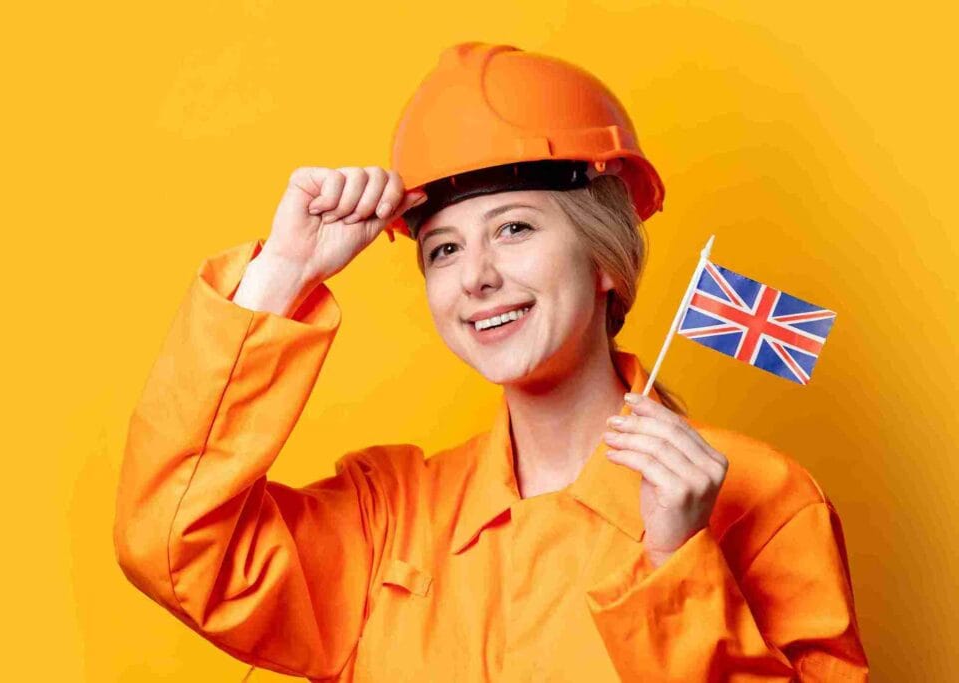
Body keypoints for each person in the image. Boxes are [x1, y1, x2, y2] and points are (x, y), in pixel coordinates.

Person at [113, 43, 869, 681]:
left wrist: (678, 567)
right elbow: (172, 541)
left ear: (604, 257)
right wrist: (284, 270)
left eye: (513, 228)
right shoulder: (387, 515)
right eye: (444, 248)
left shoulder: (763, 500)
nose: (475, 275)